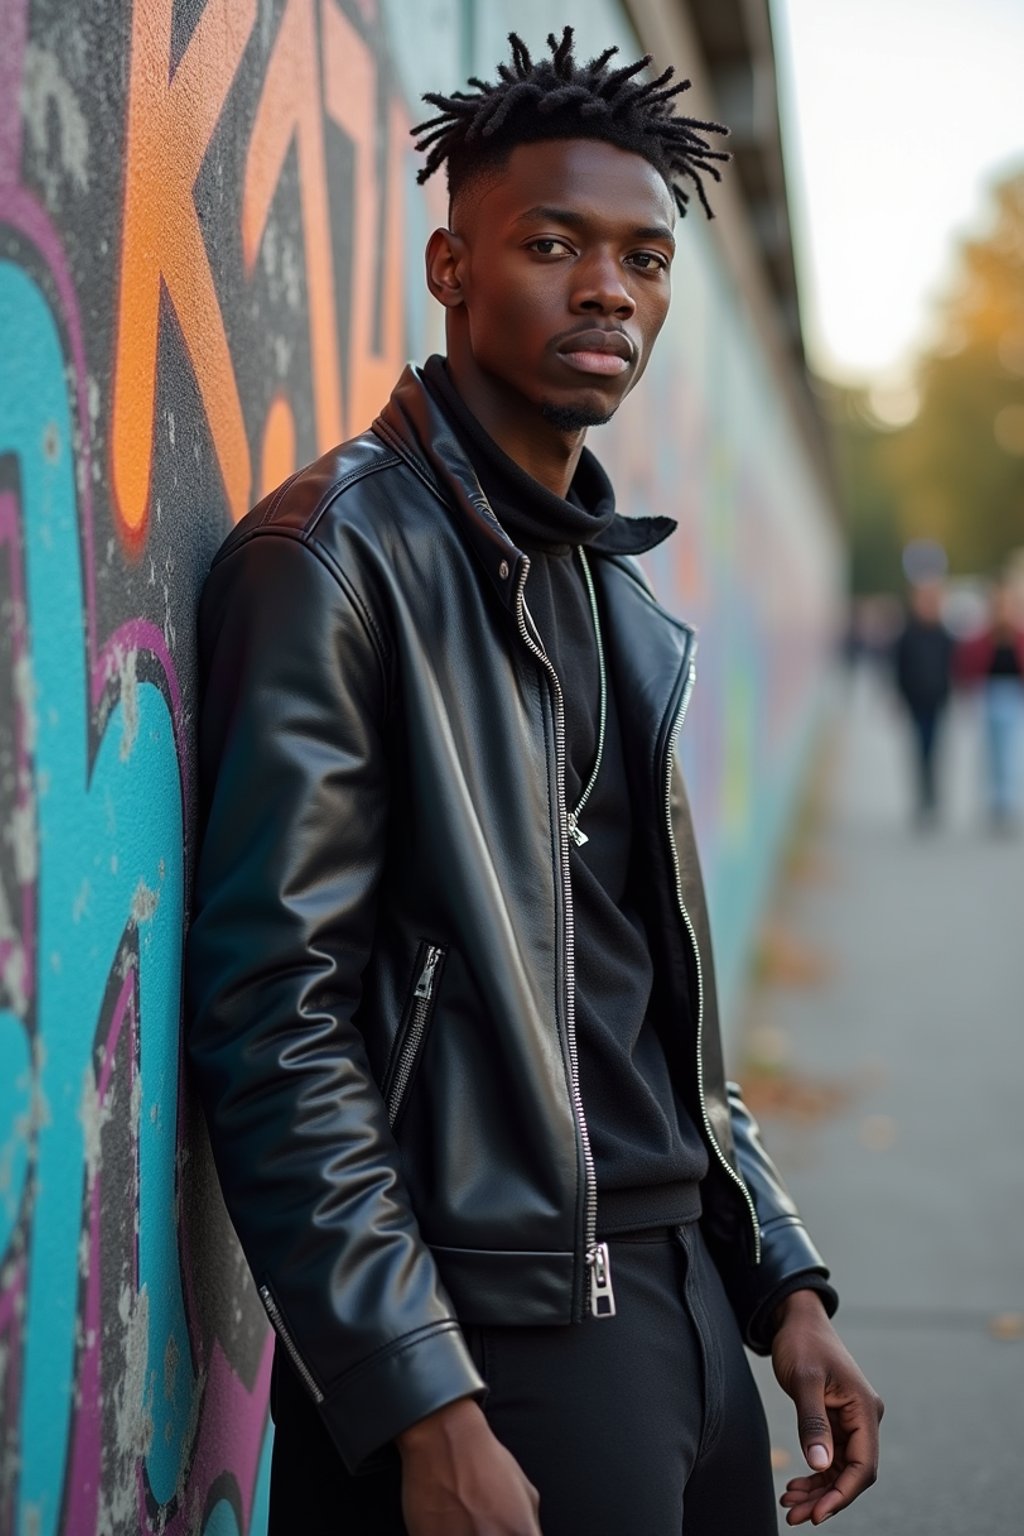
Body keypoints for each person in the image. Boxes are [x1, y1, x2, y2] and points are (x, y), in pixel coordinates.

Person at [186, 29, 882, 1536]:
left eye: (644, 258)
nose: (608, 291)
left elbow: (656, 1000)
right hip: (502, 1335)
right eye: (553, 245)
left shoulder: (621, 601)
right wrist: (417, 1391)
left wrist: (780, 1276)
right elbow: (271, 1018)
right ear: (450, 266)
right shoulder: (332, 563)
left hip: (684, 1315)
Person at [956, 580, 1024, 830]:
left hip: (1014, 697)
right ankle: (993, 800)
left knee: (1011, 754)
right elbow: (968, 665)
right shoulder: (984, 638)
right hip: (989, 695)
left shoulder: (1018, 637)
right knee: (990, 753)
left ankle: (1007, 801)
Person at [890, 580, 955, 825]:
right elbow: (899, 668)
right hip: (915, 700)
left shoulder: (944, 634)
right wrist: (899, 694)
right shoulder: (908, 634)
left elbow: (952, 667)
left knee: (935, 749)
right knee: (919, 749)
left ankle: (932, 796)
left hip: (937, 699)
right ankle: (922, 797)